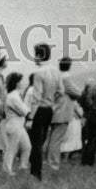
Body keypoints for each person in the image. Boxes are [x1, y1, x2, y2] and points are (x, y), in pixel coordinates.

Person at [27, 43, 62, 180]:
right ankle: (35, 170)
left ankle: (36, 172)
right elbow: (61, 91)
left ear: (39, 55)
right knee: (41, 141)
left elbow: (36, 97)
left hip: (39, 110)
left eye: (35, 54)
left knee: (36, 143)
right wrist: (52, 103)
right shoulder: (55, 71)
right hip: (49, 110)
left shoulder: (39, 73)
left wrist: (30, 117)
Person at [47, 57, 82, 170]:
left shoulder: (55, 77)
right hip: (62, 113)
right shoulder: (66, 78)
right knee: (56, 140)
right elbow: (77, 93)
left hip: (55, 112)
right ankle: (53, 164)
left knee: (53, 139)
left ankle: (50, 162)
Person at [1, 72, 31, 174]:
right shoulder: (13, 97)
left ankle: (23, 167)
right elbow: (24, 111)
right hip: (14, 126)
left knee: (27, 147)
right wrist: (28, 108)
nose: (23, 83)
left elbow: (24, 110)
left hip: (18, 126)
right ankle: (7, 170)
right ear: (17, 83)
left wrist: (26, 108)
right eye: (21, 81)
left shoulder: (15, 95)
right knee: (11, 150)